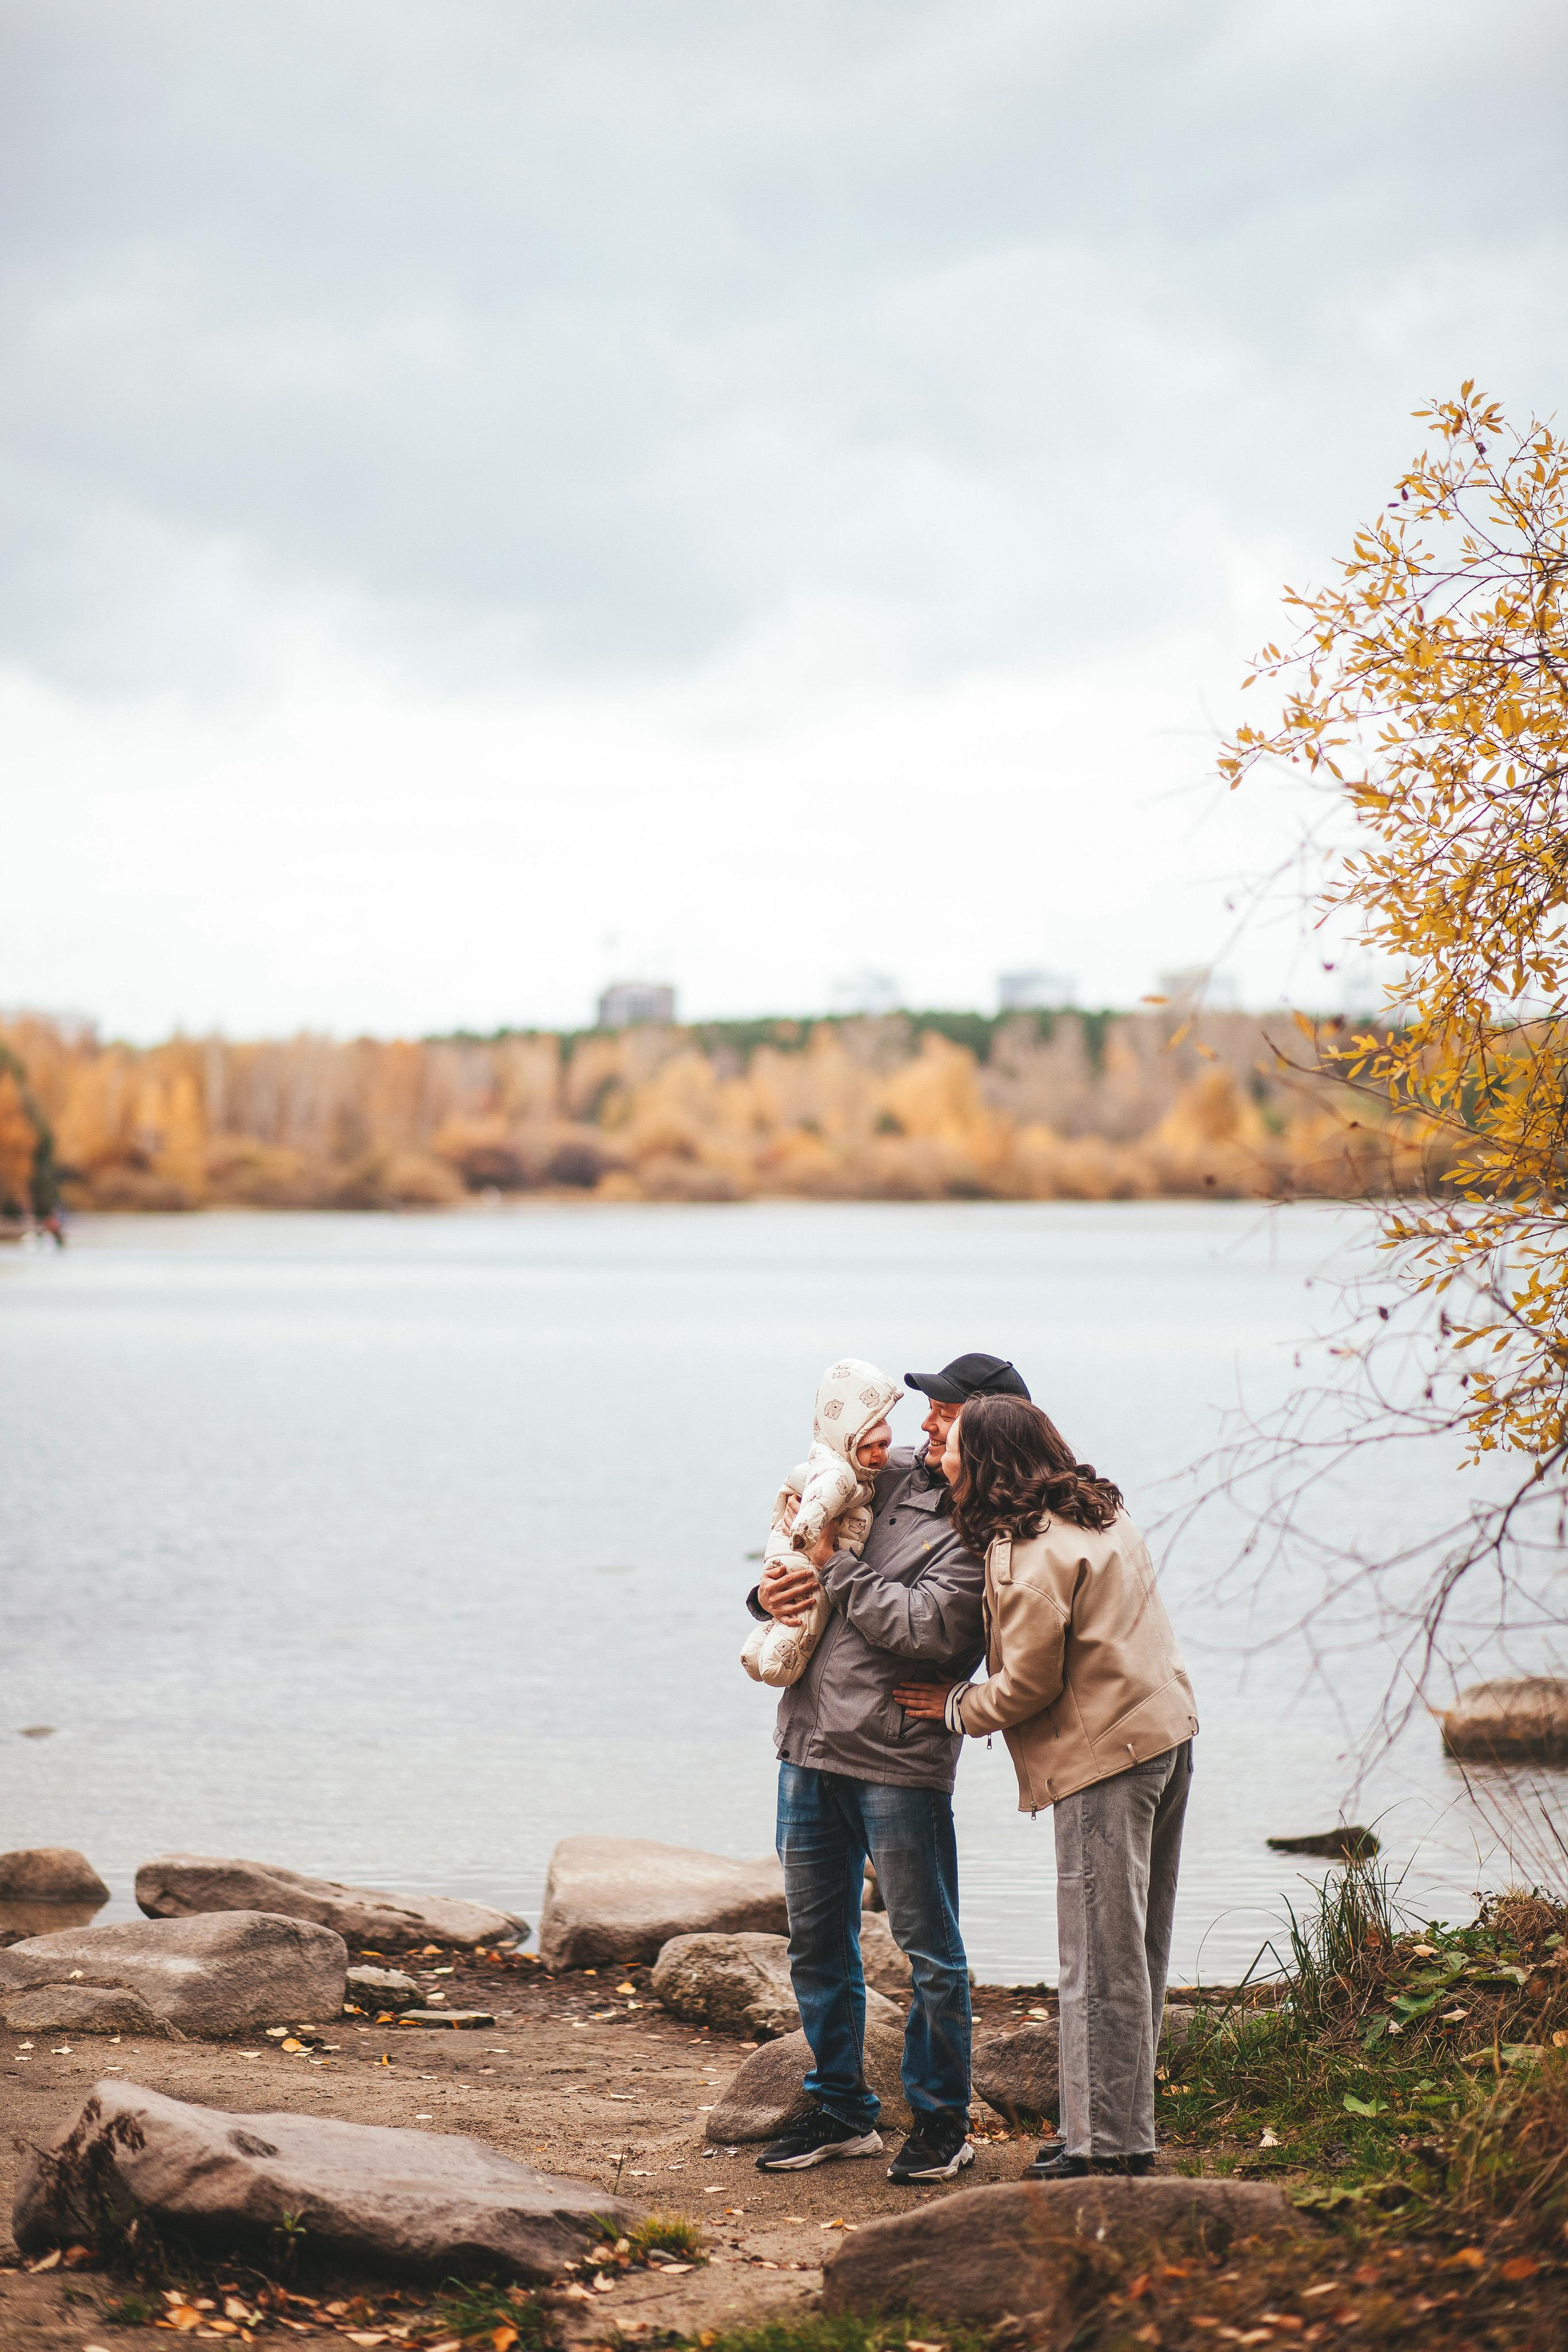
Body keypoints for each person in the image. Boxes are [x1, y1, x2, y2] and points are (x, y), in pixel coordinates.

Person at [894, 1393, 1198, 2180]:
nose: (939, 1455)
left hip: (1104, 1762)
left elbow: (1027, 1682)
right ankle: (1116, 2129)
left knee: (1097, 1958)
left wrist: (958, 1706)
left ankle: (1105, 2147)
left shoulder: (1027, 1558)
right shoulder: (1095, 1512)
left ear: (989, 1460)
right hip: (1161, 1735)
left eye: (951, 1442)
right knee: (1137, 1950)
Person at [747, 1351, 1032, 2184]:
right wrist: (770, 1594)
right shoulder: (888, 1472)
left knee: (929, 1953)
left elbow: (931, 1631)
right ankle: (842, 2111)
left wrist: (836, 1565)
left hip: (897, 1766)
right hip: (807, 1746)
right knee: (815, 1944)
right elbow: (796, 1544)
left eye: (943, 1410)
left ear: (988, 1424)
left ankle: (942, 2124)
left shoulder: (990, 1526)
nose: (923, 1423)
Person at [742, 1359, 903, 1687]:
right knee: (796, 1625)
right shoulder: (844, 1474)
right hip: (811, 1718)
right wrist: (763, 1600)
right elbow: (818, 1503)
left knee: (792, 1631)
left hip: (849, 1697)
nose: (879, 1457)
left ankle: (762, 1654)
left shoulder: (871, 1474)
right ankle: (766, 1657)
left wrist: (825, 1555)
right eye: (868, 1446)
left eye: (883, 1445)